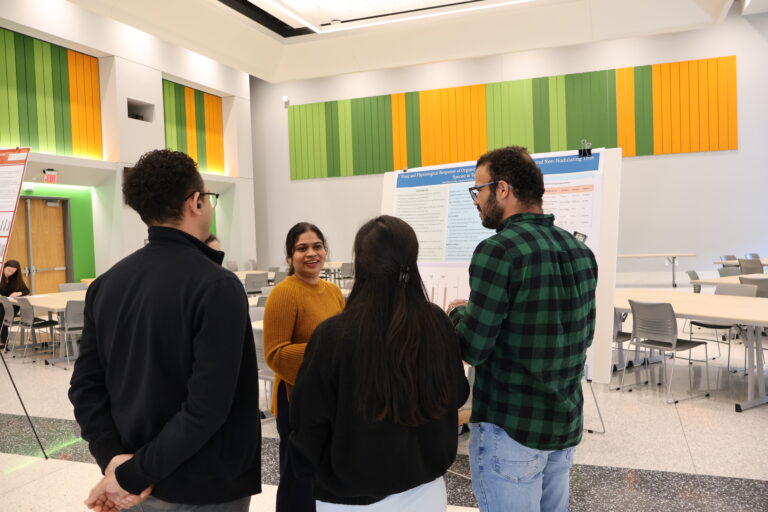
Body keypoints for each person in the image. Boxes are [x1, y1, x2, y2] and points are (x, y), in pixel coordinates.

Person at [69, 149, 261, 512]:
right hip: (205, 487)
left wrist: (114, 461)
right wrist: (128, 475)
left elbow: (85, 388)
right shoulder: (217, 286)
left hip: (134, 479)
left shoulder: (106, 285)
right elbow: (207, 409)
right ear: (196, 202)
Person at [447, 146, 597, 512]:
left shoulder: (498, 251)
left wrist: (457, 315)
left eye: (478, 190)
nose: (476, 201)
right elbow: (583, 336)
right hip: (563, 425)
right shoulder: (579, 251)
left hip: (511, 430)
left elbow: (474, 347)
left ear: (502, 189)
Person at [289, 215, 469, 511]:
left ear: (361, 263)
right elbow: (456, 394)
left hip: (350, 498)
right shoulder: (436, 321)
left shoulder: (334, 335)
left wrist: (311, 467)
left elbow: (310, 421)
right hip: (426, 490)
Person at [263, 222, 345, 512]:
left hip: (329, 399)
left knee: (324, 477)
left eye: (317, 246)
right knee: (298, 480)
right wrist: (326, 351)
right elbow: (275, 353)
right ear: (290, 256)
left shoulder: (333, 292)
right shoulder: (284, 293)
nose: (311, 253)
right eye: (302, 248)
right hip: (297, 402)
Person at [0, 260, 30, 347]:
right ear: (4, 267)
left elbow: (26, 290)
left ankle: (3, 340)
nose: (10, 273)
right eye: (8, 270)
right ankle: (3, 339)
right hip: (2, 303)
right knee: (1, 310)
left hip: (13, 305)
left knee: (2, 312)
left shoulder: (16, 279)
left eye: (13, 272)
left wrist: (18, 293)